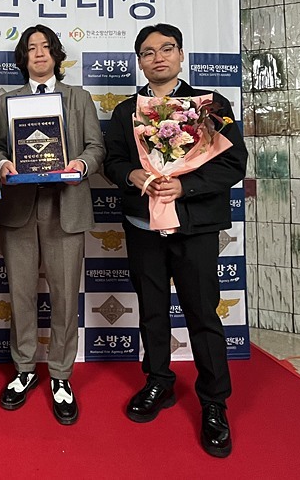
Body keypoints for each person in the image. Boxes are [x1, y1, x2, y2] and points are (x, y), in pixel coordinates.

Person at [103, 23, 247, 458]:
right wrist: (133, 174)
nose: (158, 57)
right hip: (143, 225)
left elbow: (233, 163)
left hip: (194, 225)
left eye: (166, 49)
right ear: (140, 62)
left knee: (202, 313)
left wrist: (185, 186)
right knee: (152, 310)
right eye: (148, 52)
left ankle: (214, 402)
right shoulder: (126, 111)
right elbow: (112, 161)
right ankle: (159, 381)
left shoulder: (210, 105)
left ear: (181, 55)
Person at [0, 24, 105, 425]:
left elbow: (96, 147)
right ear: (22, 58)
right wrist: (3, 163)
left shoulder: (79, 97)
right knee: (20, 294)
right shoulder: (6, 101)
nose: (38, 53)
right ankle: (24, 368)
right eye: (31, 48)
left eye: (45, 47)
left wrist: (81, 165)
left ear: (56, 55)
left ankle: (60, 374)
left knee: (64, 296)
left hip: (65, 205)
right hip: (20, 207)